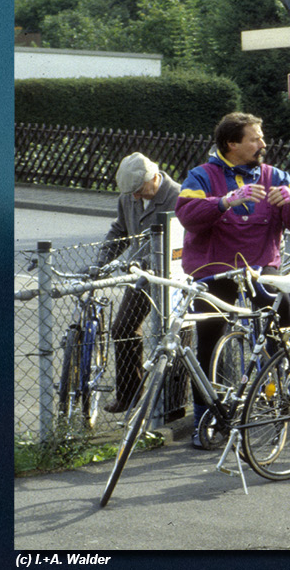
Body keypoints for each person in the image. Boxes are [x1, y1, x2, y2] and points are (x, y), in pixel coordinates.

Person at [176, 112, 290, 447]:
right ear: (231, 144)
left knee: (279, 326)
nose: (263, 144)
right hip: (215, 268)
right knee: (208, 342)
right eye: (254, 138)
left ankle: (288, 385)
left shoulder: (274, 175)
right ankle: (204, 419)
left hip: (261, 264)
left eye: (261, 137)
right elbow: (187, 216)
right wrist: (224, 201)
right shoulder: (202, 176)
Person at [96, 153, 180, 413]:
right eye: (130, 192)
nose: (134, 197)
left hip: (172, 278)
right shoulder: (129, 196)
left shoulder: (178, 196)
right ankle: (130, 395)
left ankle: (173, 406)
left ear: (154, 177)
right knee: (122, 328)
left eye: (139, 190)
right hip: (141, 277)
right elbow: (120, 230)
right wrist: (100, 261)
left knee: (175, 336)